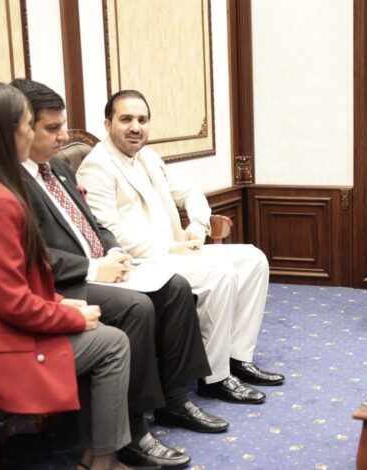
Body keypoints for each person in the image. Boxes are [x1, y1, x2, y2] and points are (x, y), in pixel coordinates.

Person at [11, 79, 227, 468]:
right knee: (136, 307)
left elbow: (94, 224)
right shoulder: (12, 181)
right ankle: (133, 431)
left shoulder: (56, 167)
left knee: (175, 287)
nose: (64, 137)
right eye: (52, 128)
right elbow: (32, 255)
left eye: (63, 126)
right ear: (22, 126)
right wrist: (96, 266)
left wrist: (112, 251)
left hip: (102, 265)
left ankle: (175, 401)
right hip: (63, 282)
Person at [0, 80, 131, 470]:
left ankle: (96, 458)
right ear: (5, 134)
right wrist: (71, 317)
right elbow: (11, 302)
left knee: (103, 329)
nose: (30, 132)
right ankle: (103, 462)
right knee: (112, 343)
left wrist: (59, 302)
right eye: (27, 123)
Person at [77, 90, 284, 404]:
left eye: (142, 120)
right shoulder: (96, 167)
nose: (136, 127)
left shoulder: (148, 157)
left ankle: (237, 358)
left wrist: (197, 226)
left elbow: (190, 193)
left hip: (176, 252)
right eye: (126, 119)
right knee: (219, 272)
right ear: (108, 124)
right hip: (140, 263)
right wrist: (169, 248)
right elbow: (110, 234)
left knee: (253, 259)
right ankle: (215, 378)